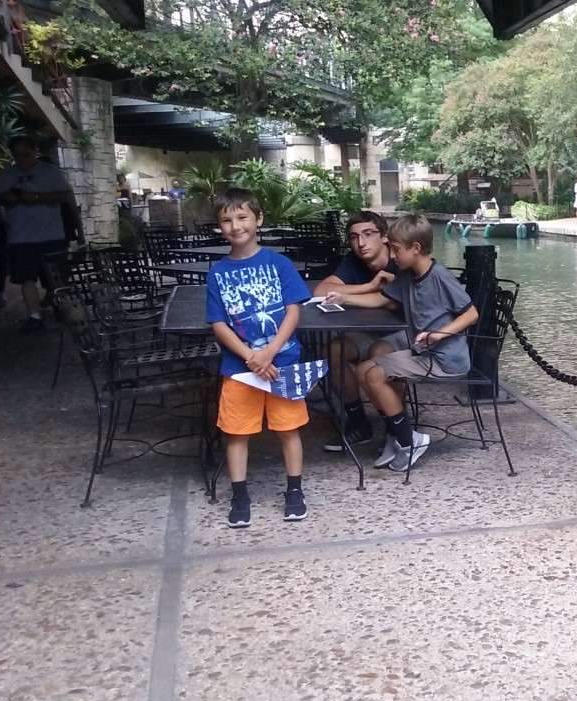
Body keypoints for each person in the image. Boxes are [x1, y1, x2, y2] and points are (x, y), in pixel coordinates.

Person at [324, 213, 478, 472]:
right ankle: (397, 435)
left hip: (444, 360)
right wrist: (343, 298)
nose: (392, 256)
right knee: (364, 369)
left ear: (415, 248)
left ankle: (408, 440)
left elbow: (471, 314)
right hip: (424, 352)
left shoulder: (440, 277)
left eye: (396, 250)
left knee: (374, 375)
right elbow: (380, 299)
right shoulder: (408, 275)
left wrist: (439, 334)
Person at [205, 187, 312, 528]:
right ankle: (239, 495)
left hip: (282, 363)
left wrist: (269, 352)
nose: (236, 226)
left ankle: (294, 490)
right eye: (227, 220)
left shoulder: (279, 264)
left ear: (258, 219)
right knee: (237, 433)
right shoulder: (217, 272)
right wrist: (251, 356)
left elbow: (293, 311)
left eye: (242, 217)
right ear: (219, 226)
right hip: (240, 368)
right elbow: (218, 323)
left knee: (288, 429)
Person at [313, 211, 399, 452]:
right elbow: (320, 291)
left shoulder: (400, 258)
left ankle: (396, 427)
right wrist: (369, 285)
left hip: (409, 335)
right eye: (354, 237)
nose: (361, 243)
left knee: (380, 354)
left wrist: (347, 296)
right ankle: (359, 424)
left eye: (368, 234)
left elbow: (390, 301)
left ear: (384, 237)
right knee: (332, 351)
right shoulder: (354, 261)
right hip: (372, 333)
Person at [0, 136, 75, 333]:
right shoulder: (9, 174)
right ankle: (34, 316)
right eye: (17, 156)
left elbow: (66, 195)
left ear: (34, 151)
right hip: (21, 237)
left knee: (56, 277)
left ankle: (58, 304)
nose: (21, 160)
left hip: (51, 234)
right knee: (26, 278)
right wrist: (7, 197)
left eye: (25, 155)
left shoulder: (49, 172)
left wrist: (37, 197)